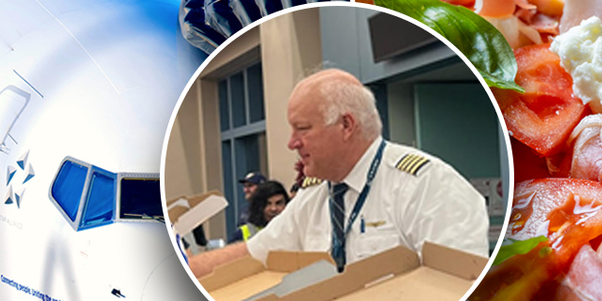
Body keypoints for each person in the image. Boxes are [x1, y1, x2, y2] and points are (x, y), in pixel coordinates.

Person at [190, 68, 488, 277]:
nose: (292, 142)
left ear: (346, 125)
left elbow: (458, 291)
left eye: (303, 129)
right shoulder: (314, 197)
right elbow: (254, 254)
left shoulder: (427, 185)